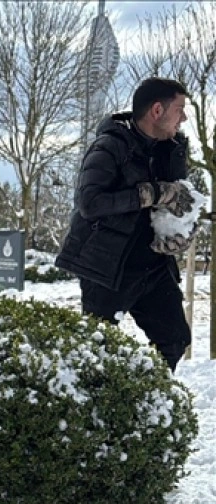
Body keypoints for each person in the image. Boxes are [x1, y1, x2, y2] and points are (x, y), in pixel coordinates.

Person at [55, 77, 195, 371]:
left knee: (175, 340)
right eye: (180, 109)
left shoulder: (174, 148)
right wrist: (151, 194)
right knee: (97, 351)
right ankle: (106, 407)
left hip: (154, 266)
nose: (183, 117)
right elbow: (90, 203)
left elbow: (180, 200)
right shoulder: (110, 145)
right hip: (108, 269)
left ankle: (143, 403)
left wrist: (182, 230)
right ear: (157, 110)